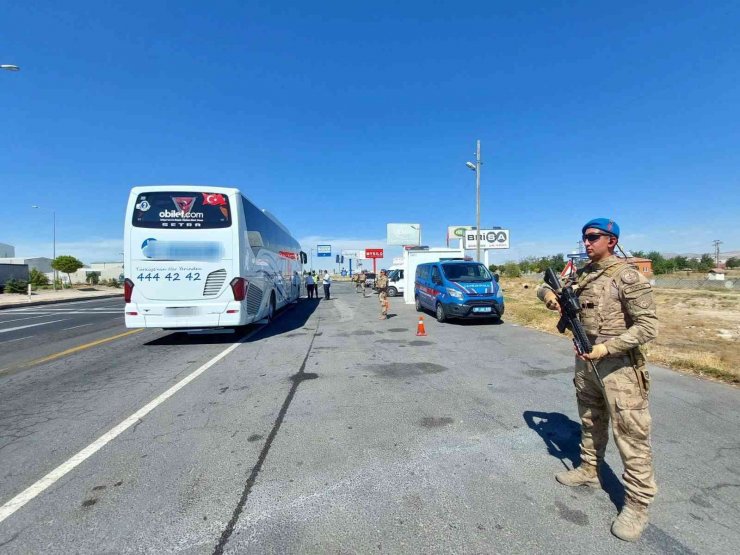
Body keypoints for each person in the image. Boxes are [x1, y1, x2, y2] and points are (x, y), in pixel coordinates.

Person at [536, 218, 658, 542]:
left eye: (593, 237)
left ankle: (637, 504)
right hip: (586, 363)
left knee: (631, 436)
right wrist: (551, 299)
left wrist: (606, 347)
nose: (587, 243)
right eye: (584, 238)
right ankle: (590, 470)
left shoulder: (627, 277)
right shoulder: (583, 275)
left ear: (611, 241)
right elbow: (542, 286)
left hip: (620, 369)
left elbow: (648, 327)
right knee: (590, 419)